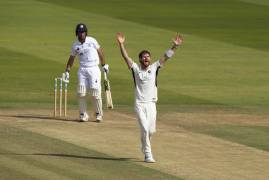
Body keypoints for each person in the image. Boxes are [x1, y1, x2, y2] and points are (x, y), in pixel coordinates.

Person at [116, 32, 183, 163]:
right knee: (145, 129)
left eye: (148, 57)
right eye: (144, 57)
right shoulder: (135, 69)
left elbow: (166, 57)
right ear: (140, 59)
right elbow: (126, 57)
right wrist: (121, 44)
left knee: (151, 131)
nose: (147, 59)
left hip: (151, 104)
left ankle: (144, 144)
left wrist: (175, 46)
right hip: (139, 104)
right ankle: (148, 154)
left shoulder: (154, 67)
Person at [63, 23, 109, 122]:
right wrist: (67, 71)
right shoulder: (75, 45)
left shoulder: (92, 41)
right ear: (77, 33)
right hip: (82, 69)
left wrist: (104, 64)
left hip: (94, 68)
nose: (81, 34)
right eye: (79, 32)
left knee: (95, 91)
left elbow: (100, 52)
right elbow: (71, 58)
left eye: (83, 32)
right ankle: (83, 114)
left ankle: (98, 114)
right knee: (81, 92)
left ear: (86, 33)